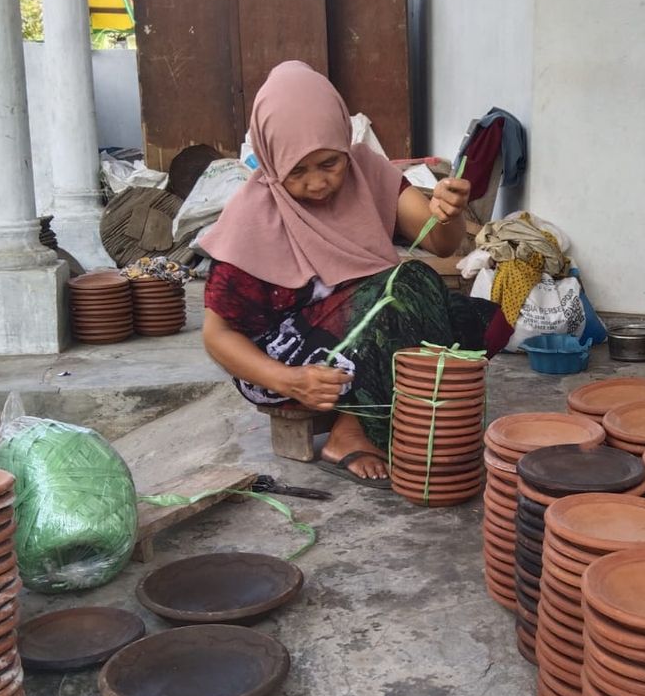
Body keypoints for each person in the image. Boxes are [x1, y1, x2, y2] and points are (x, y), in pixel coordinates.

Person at [200, 62, 511, 487]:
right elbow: (217, 336)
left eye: (329, 163)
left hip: (358, 328)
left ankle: (376, 415)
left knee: (481, 321)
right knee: (408, 287)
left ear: (345, 145)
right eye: (297, 171)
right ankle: (354, 431)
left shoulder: (364, 169)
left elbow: (440, 242)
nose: (317, 183)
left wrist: (450, 212)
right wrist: (289, 379)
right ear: (272, 162)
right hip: (281, 362)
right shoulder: (252, 219)